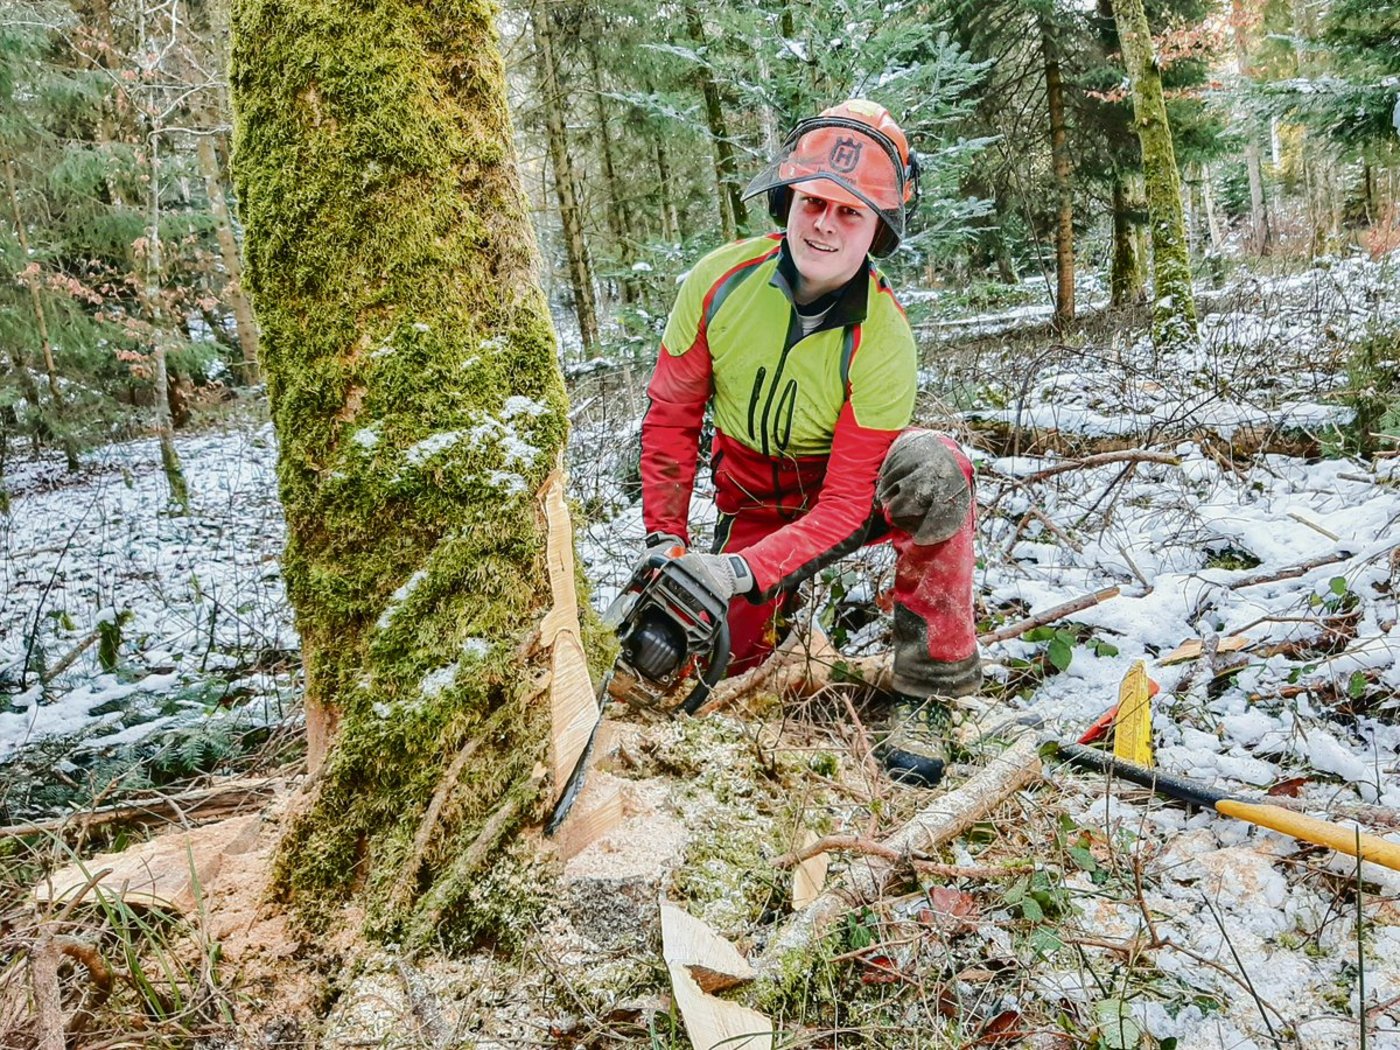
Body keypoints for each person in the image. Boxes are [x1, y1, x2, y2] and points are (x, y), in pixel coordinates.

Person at [637, 99, 980, 788]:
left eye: (850, 211)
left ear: (877, 227)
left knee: (935, 470)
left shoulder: (883, 335)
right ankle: (757, 624)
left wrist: (736, 570)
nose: (825, 223)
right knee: (712, 667)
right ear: (788, 202)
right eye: (814, 202)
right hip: (753, 498)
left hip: (844, 499)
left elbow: (848, 502)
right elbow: (671, 420)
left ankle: (929, 694)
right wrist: (666, 543)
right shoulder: (717, 283)